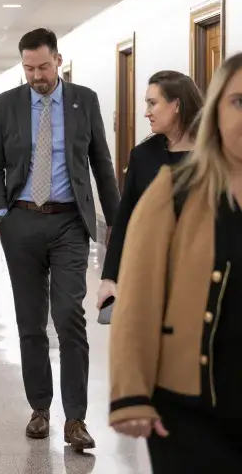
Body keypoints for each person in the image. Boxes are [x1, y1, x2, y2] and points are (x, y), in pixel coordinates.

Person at [0, 28, 119, 450]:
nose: (36, 75)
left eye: (43, 66)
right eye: (28, 68)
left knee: (68, 317)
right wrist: (2, 212)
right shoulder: (6, 105)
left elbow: (101, 162)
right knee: (30, 322)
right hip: (22, 222)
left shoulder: (84, 100)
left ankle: (75, 419)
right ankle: (40, 408)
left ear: (58, 60)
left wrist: (118, 226)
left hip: (68, 224)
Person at [109, 52, 242, 472]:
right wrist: (131, 394)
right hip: (192, 406)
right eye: (238, 101)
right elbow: (139, 298)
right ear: (216, 110)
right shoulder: (174, 189)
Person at [97, 71, 202, 309]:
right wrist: (109, 277)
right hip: (151, 273)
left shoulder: (213, 155)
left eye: (152, 103)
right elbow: (125, 218)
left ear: (176, 104)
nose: (146, 112)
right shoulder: (142, 156)